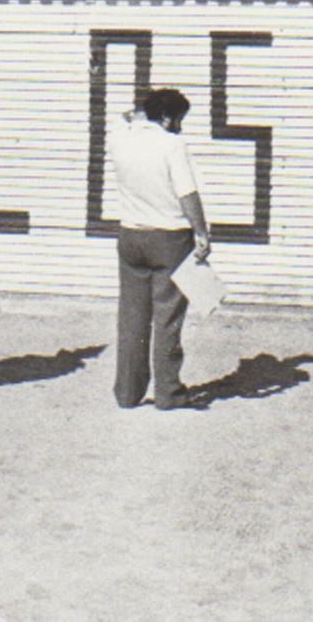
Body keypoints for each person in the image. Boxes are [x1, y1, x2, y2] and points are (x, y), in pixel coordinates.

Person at [108, 87, 212, 409]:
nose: (180, 125)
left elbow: (125, 117)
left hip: (130, 235)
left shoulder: (120, 138)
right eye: (178, 119)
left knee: (132, 318)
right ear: (167, 117)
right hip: (169, 238)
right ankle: (169, 393)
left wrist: (143, 113)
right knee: (167, 319)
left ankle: (127, 392)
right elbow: (187, 193)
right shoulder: (172, 144)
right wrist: (202, 232)